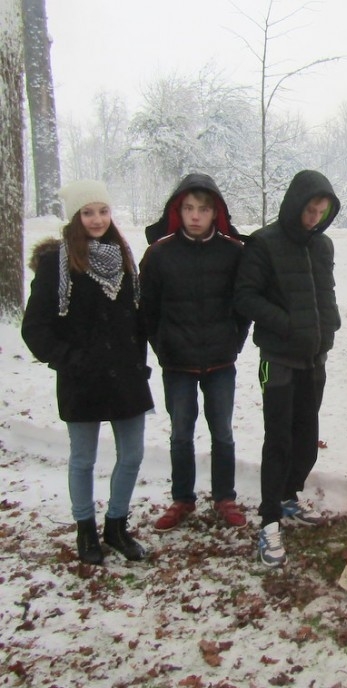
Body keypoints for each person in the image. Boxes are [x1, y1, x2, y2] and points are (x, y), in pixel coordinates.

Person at [22, 180, 153, 565]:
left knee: (131, 455)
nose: (97, 219)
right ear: (76, 217)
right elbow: (35, 327)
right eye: (88, 212)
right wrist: (68, 359)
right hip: (82, 378)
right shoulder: (56, 263)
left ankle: (116, 527)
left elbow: (136, 315)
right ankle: (85, 531)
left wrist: (139, 357)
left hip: (126, 376)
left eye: (103, 211)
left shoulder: (124, 257)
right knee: (83, 459)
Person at [234, 170, 341, 567]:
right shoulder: (265, 243)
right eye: (309, 210)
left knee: (305, 435)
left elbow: (324, 293)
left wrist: (329, 325)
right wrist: (287, 323)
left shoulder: (323, 246)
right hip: (277, 360)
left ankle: (288, 497)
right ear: (295, 205)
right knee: (277, 439)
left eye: (321, 211)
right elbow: (245, 297)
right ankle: (269, 522)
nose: (314, 218)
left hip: (315, 358)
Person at [140, 173, 250, 531]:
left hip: (220, 361)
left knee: (223, 433)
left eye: (203, 209)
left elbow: (243, 305)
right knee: (180, 434)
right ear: (179, 210)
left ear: (215, 213)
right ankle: (182, 499)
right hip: (178, 364)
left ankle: (225, 497)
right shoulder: (159, 254)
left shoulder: (234, 253)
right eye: (189, 208)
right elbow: (149, 311)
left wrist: (234, 341)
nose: (196, 216)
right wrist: (163, 346)